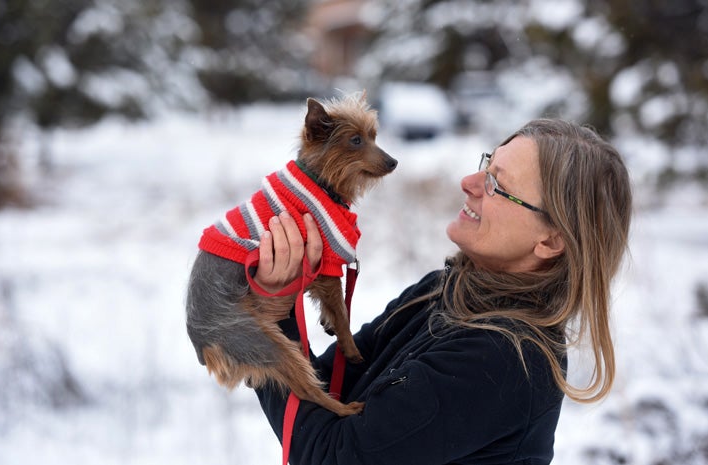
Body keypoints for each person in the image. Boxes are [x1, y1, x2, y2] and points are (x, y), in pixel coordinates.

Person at [250, 118, 632, 464]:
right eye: (487, 165)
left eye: (498, 185)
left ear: (550, 240)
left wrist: (267, 316)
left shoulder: (503, 359)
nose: (469, 183)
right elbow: (330, 387)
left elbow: (328, 457)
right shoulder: (444, 290)